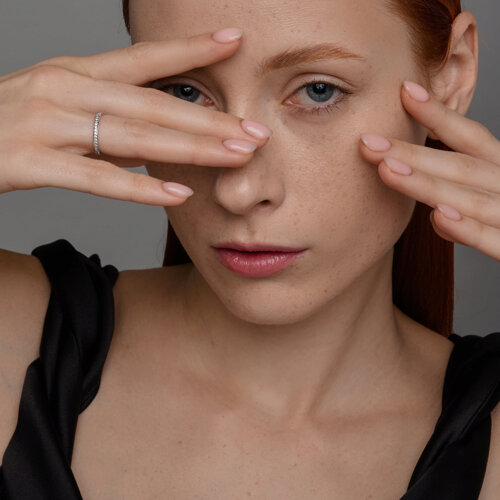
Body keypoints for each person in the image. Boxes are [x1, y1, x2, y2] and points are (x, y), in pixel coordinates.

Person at [0, 0, 499, 498]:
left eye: (318, 90)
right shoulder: (19, 341)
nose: (238, 191)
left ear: (452, 75)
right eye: (185, 92)